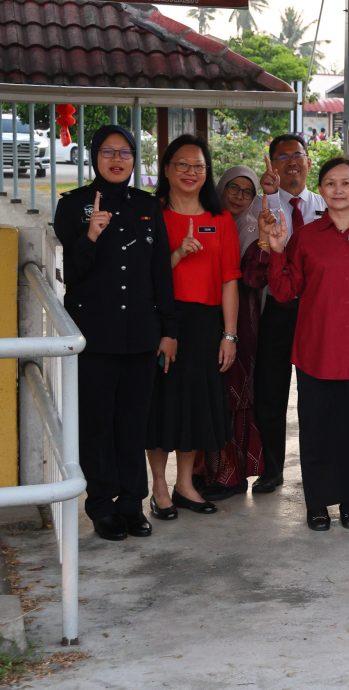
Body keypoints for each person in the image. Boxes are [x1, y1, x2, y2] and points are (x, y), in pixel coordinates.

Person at [54, 125, 177, 541]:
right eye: (108, 152)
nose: (117, 159)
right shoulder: (74, 206)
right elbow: (71, 274)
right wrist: (90, 236)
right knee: (98, 426)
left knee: (132, 425)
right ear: (94, 157)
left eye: (125, 152)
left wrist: (168, 330)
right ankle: (102, 507)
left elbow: (160, 271)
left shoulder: (147, 205)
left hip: (141, 335)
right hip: (95, 336)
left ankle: (133, 505)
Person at [266, 157, 349, 530]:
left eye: (346, 183)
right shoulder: (306, 237)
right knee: (318, 430)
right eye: (330, 183)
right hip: (317, 351)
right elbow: (284, 292)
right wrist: (278, 252)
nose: (338, 190)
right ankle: (317, 504)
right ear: (321, 190)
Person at [146, 134, 240, 519]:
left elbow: (230, 280)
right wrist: (177, 254)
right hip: (163, 321)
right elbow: (144, 279)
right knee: (161, 404)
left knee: (193, 406)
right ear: (166, 169)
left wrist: (229, 334)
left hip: (205, 322)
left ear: (207, 172)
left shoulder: (220, 220)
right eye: (181, 164)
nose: (190, 172)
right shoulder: (153, 215)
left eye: (198, 166)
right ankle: (158, 486)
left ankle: (185, 484)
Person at [246, 134, 327, 494]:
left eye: (299, 155)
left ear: (309, 163)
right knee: (270, 393)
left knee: (317, 395)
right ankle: (272, 469)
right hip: (276, 310)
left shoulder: (327, 205)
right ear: (272, 165)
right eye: (283, 157)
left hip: (316, 312)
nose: (292, 162)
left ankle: (320, 471)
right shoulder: (259, 207)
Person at [198, 166, 266, 501]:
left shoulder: (254, 227)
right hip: (205, 318)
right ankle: (203, 471)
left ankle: (231, 475)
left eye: (247, 191)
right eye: (233, 189)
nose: (239, 196)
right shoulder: (206, 221)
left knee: (233, 398)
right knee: (207, 395)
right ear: (221, 188)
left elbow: (253, 280)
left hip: (241, 323)